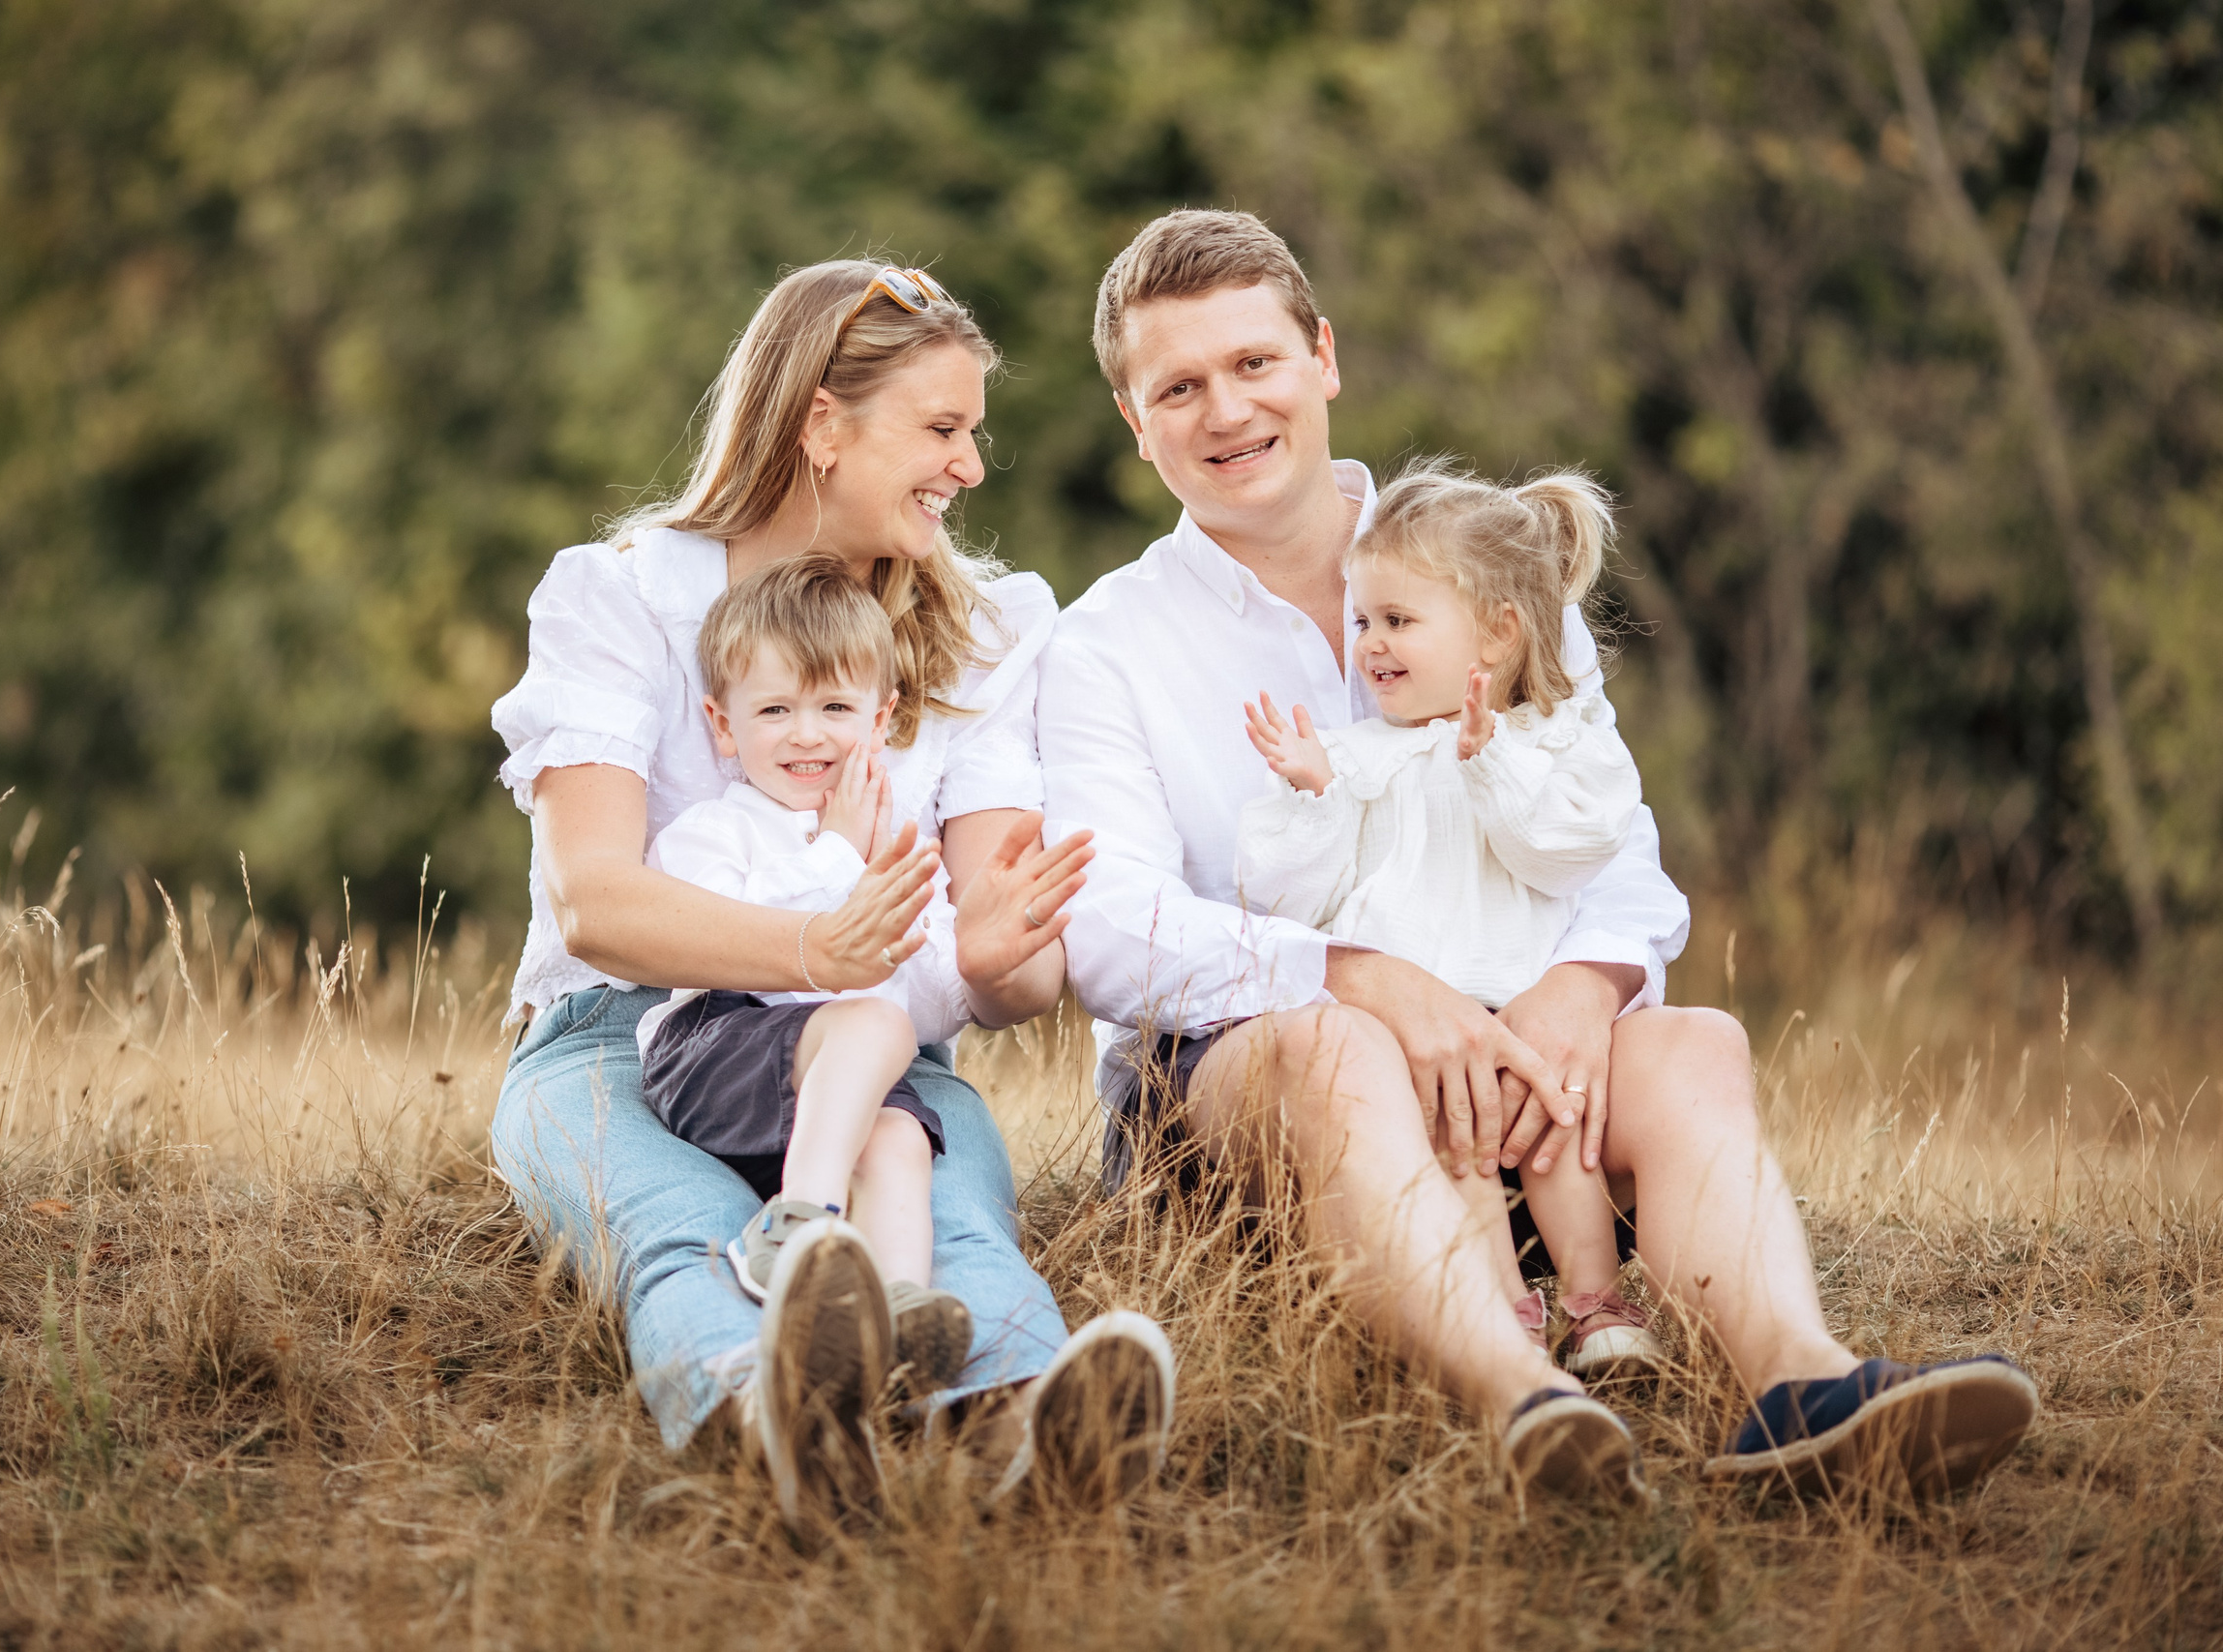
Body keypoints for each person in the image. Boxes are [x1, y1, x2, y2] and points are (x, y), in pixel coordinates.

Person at [1040, 208, 2036, 1503]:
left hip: (1514, 1080)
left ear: (1322, 357)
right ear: (1135, 420)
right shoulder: (1105, 644)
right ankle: (1530, 1401)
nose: (1226, 409)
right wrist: (1365, 980)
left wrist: (1580, 989)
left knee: (1691, 1042)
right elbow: (1107, 926)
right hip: (1248, 1102)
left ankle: (1800, 1387)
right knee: (1334, 1049)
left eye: (1254, 362)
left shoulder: (1487, 564)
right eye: (1179, 387)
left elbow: (1610, 845)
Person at [490, 260, 1175, 1532]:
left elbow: (1007, 970)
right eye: (942, 427)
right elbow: (595, 903)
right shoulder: (622, 598)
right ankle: (776, 1425)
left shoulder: (981, 634)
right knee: (681, 1222)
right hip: (618, 1032)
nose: (969, 466)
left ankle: (1033, 1424)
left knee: (947, 1210)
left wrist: (1004, 954)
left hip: (879, 1039)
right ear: (822, 424)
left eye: (973, 431)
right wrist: (818, 944)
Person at [1234, 457, 1666, 1382]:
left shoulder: (1552, 741)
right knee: (1457, 1149)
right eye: (1363, 621)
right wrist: (1314, 793)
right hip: (1414, 1028)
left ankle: (1597, 1303)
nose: (1371, 645)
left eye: (1398, 620)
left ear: (1498, 633)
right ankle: (1505, 1310)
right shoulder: (1357, 756)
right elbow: (1289, 895)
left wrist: (1490, 759)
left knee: (1559, 1139)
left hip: (1526, 1008)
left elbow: (1571, 847)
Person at [636, 556, 976, 1394]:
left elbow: (928, 1006)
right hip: (712, 1046)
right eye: (774, 709)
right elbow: (747, 951)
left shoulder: (899, 848)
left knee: (899, 1134)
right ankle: (798, 1224)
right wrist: (840, 857)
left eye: (834, 708)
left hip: (835, 1081)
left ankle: (896, 1307)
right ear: (724, 725)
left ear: (881, 718)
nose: (806, 734)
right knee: (874, 1025)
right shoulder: (712, 834)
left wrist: (965, 950)